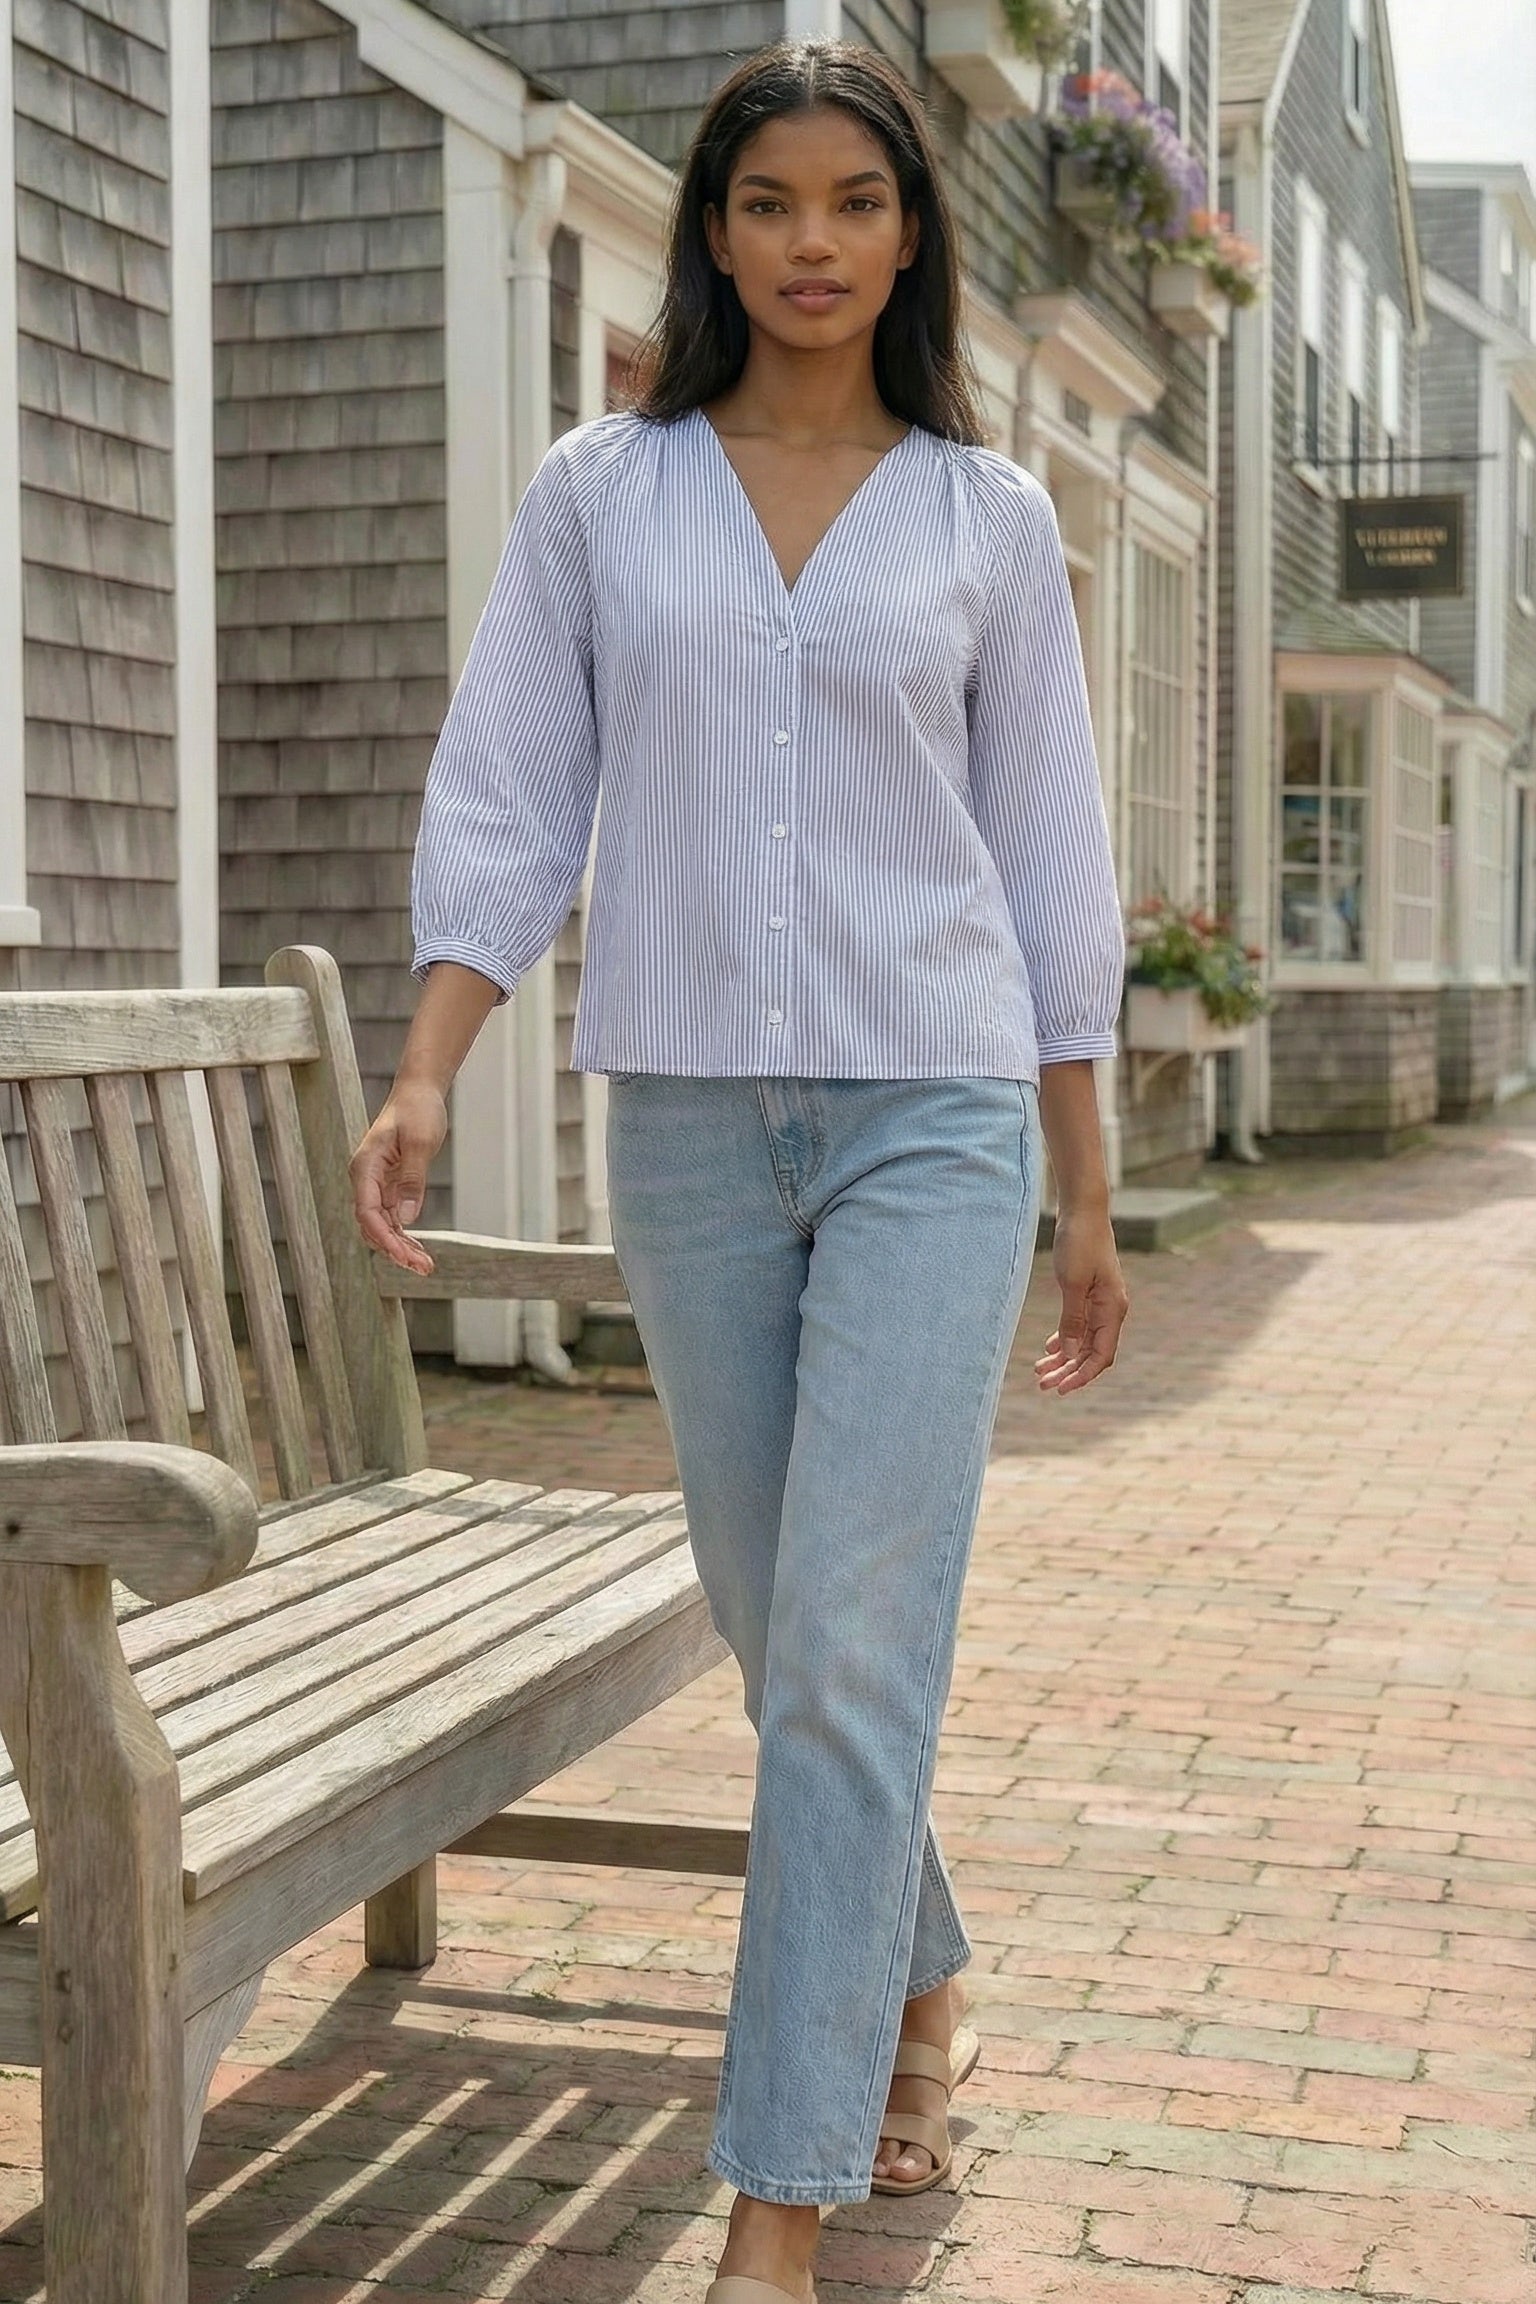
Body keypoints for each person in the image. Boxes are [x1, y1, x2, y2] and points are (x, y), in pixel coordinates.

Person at [351, 38, 1129, 2304]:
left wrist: (1083, 1189)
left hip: (933, 1116)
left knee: (852, 1655)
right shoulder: (608, 493)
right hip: (684, 1116)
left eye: (856, 203)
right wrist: (425, 1070)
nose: (812, 243)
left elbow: (1054, 873)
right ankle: (916, 1971)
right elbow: (509, 783)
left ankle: (776, 2210)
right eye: (770, 202)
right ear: (715, 229)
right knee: (785, 1632)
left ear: (912, 236)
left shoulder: (988, 522)